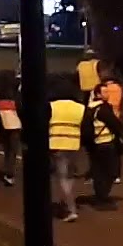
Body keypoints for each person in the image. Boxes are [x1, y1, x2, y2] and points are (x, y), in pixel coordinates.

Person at [49, 79, 87, 222]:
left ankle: (71, 209)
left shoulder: (51, 106)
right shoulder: (80, 107)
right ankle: (65, 202)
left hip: (56, 143)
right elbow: (86, 127)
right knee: (69, 176)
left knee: (62, 177)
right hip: (74, 144)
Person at [86, 84, 123, 208]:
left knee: (98, 171)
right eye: (104, 92)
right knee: (110, 171)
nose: (107, 94)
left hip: (95, 145)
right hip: (106, 143)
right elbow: (115, 125)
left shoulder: (89, 109)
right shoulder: (103, 109)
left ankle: (99, 196)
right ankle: (103, 197)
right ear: (98, 94)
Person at [0, 72, 22, 187]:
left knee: (7, 150)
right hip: (15, 126)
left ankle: (8, 172)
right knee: (12, 151)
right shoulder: (15, 99)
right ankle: (9, 174)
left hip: (3, 127)